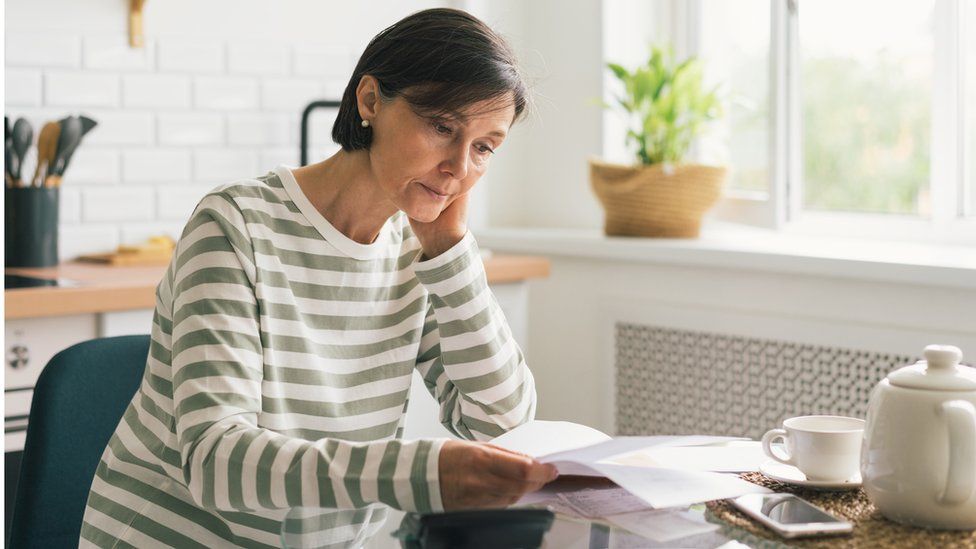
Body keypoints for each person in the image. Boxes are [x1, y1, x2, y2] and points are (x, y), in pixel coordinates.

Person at [80, 7, 557, 548]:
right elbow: (215, 462)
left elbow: (502, 424)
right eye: (442, 126)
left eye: (483, 147)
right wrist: (418, 472)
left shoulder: (416, 252)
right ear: (370, 100)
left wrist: (451, 253)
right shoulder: (235, 226)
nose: (459, 167)